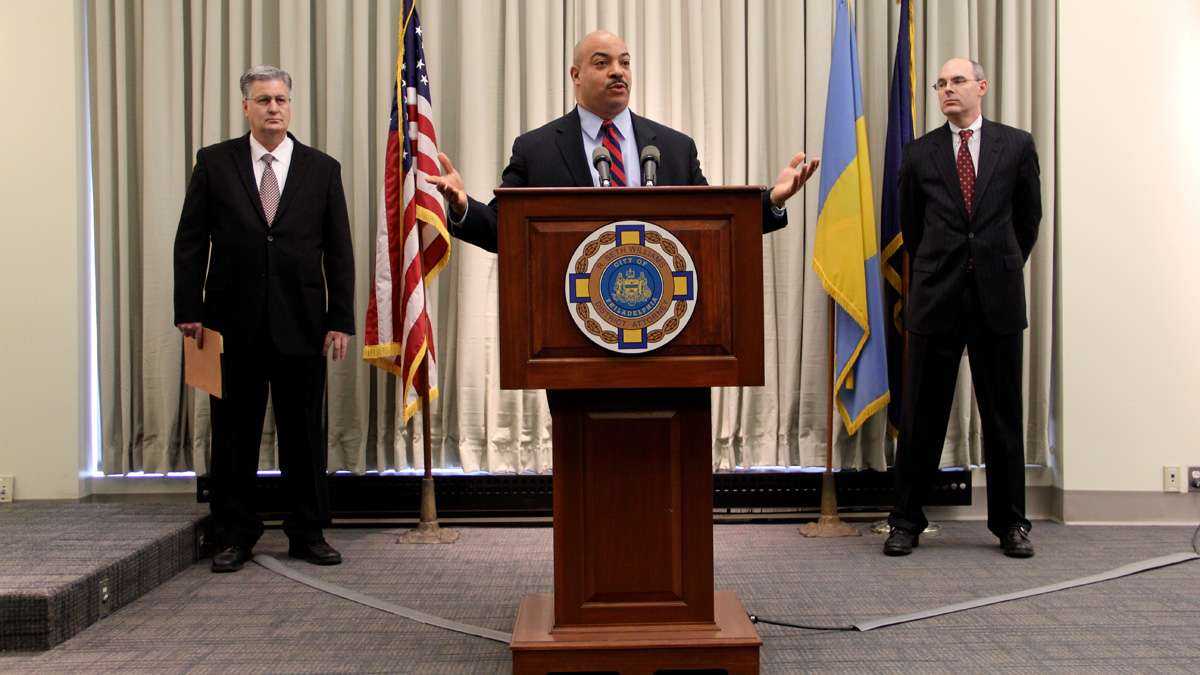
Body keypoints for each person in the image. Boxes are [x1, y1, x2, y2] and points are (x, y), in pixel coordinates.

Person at [174, 65, 355, 572]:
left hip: (303, 324)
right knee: (234, 434)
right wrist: (188, 311)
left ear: (290, 105)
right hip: (230, 326)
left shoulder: (322, 169)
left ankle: (308, 531)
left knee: (304, 431)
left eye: (280, 99)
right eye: (262, 100)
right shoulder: (214, 163)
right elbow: (190, 242)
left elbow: (339, 250)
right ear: (245, 107)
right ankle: (234, 533)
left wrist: (339, 318)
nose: (272, 108)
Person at [426, 30, 820, 252]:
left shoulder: (675, 147)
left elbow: (712, 222)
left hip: (668, 326)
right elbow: (501, 229)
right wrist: (463, 206)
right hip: (571, 333)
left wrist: (772, 200)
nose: (619, 72)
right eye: (603, 63)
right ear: (576, 75)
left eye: (625, 62)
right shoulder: (537, 148)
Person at [885, 58, 1042, 558]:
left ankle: (1011, 524)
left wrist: (998, 262)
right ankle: (906, 521)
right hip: (936, 299)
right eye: (940, 84)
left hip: (996, 297)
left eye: (956, 81)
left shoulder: (1016, 146)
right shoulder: (919, 153)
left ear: (982, 86)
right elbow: (912, 228)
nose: (947, 90)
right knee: (922, 417)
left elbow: (1028, 220)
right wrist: (941, 266)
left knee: (1002, 417)